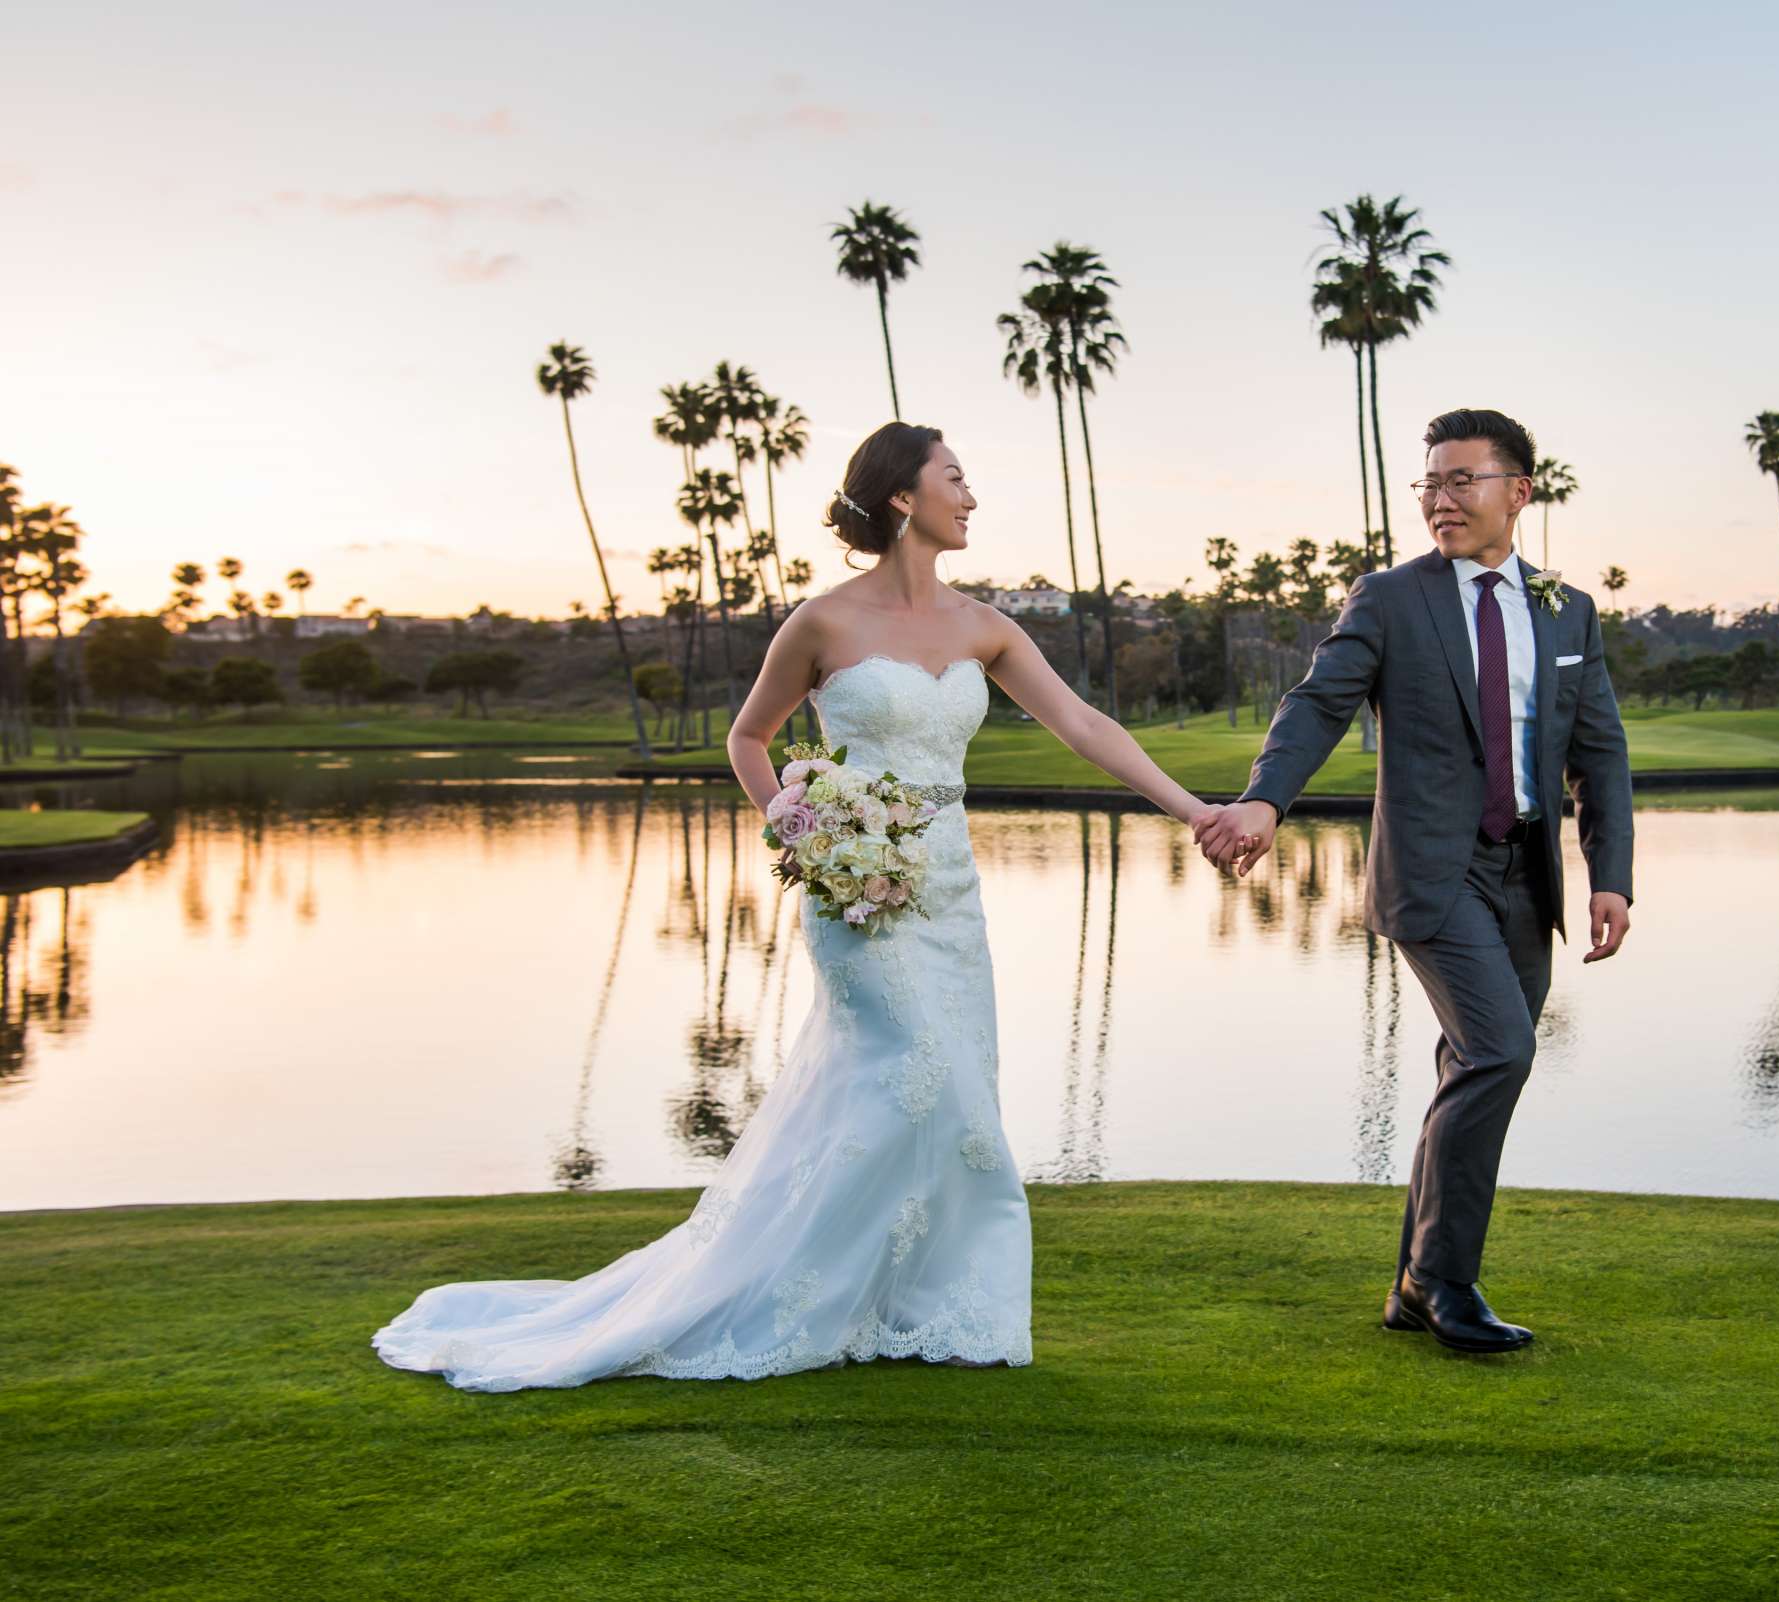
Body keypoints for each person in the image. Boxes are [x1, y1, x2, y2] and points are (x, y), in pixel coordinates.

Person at [373, 421, 1224, 1389]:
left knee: (943, 1091)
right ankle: (815, 1297)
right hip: (857, 897)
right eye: (956, 477)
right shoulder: (822, 625)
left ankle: (931, 1307)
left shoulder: (986, 625)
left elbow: (1083, 725)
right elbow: (749, 739)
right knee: (927, 1078)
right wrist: (799, 821)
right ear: (904, 497)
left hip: (950, 891)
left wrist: (1196, 809)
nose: (972, 495)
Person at [1195, 407, 1635, 1354]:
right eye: (1429, 483)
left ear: (1519, 492)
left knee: (1468, 1064)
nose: (1441, 499)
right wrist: (1267, 801)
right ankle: (1445, 1281)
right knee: (1499, 1054)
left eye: (1461, 480)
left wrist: (1611, 876)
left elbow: (1599, 752)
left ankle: (1411, 1284)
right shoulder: (1392, 598)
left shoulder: (1567, 610)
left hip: (1528, 876)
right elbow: (1317, 705)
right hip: (1433, 878)